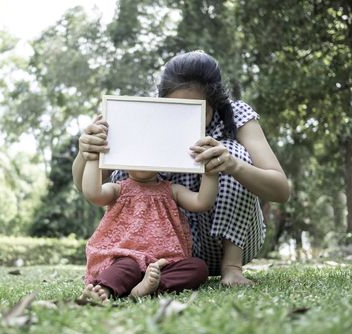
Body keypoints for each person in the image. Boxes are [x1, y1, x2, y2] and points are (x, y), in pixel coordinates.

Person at [73, 50, 290, 287]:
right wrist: (87, 152)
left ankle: (232, 268)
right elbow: (87, 187)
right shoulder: (143, 118)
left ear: (214, 104)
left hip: (228, 241)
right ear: (162, 100)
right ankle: (133, 270)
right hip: (160, 250)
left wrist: (233, 166)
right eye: (177, 109)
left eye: (196, 111)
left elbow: (281, 190)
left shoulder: (237, 115)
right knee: (133, 151)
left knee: (230, 152)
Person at [79, 145, 218, 302]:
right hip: (126, 258)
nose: (142, 159)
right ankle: (103, 290)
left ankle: (151, 287)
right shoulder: (118, 189)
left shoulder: (172, 190)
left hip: (163, 265)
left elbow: (202, 202)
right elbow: (93, 194)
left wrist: (210, 172)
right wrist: (93, 157)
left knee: (198, 267)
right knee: (125, 268)